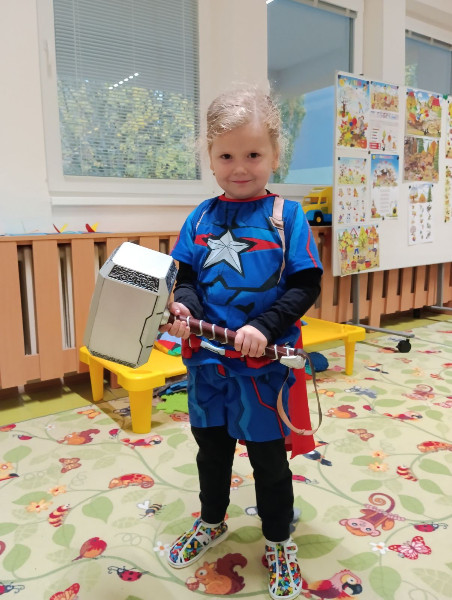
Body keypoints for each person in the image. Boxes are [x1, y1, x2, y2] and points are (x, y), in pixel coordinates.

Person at [161, 85, 323, 600]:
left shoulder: (286, 217)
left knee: (269, 462)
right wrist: (185, 309)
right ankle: (212, 521)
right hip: (207, 367)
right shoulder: (200, 218)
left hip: (262, 372)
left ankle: (278, 540)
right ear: (210, 157)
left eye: (253, 154)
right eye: (226, 156)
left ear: (275, 154)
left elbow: (305, 284)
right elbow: (185, 276)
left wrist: (266, 327)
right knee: (211, 453)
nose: (240, 168)